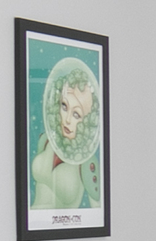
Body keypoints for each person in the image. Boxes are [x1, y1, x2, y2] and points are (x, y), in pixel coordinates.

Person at [30, 54, 102, 210]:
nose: (67, 119)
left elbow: (98, 214)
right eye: (64, 106)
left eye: (76, 114)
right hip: (31, 230)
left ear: (88, 121)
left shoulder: (87, 161)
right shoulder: (45, 141)